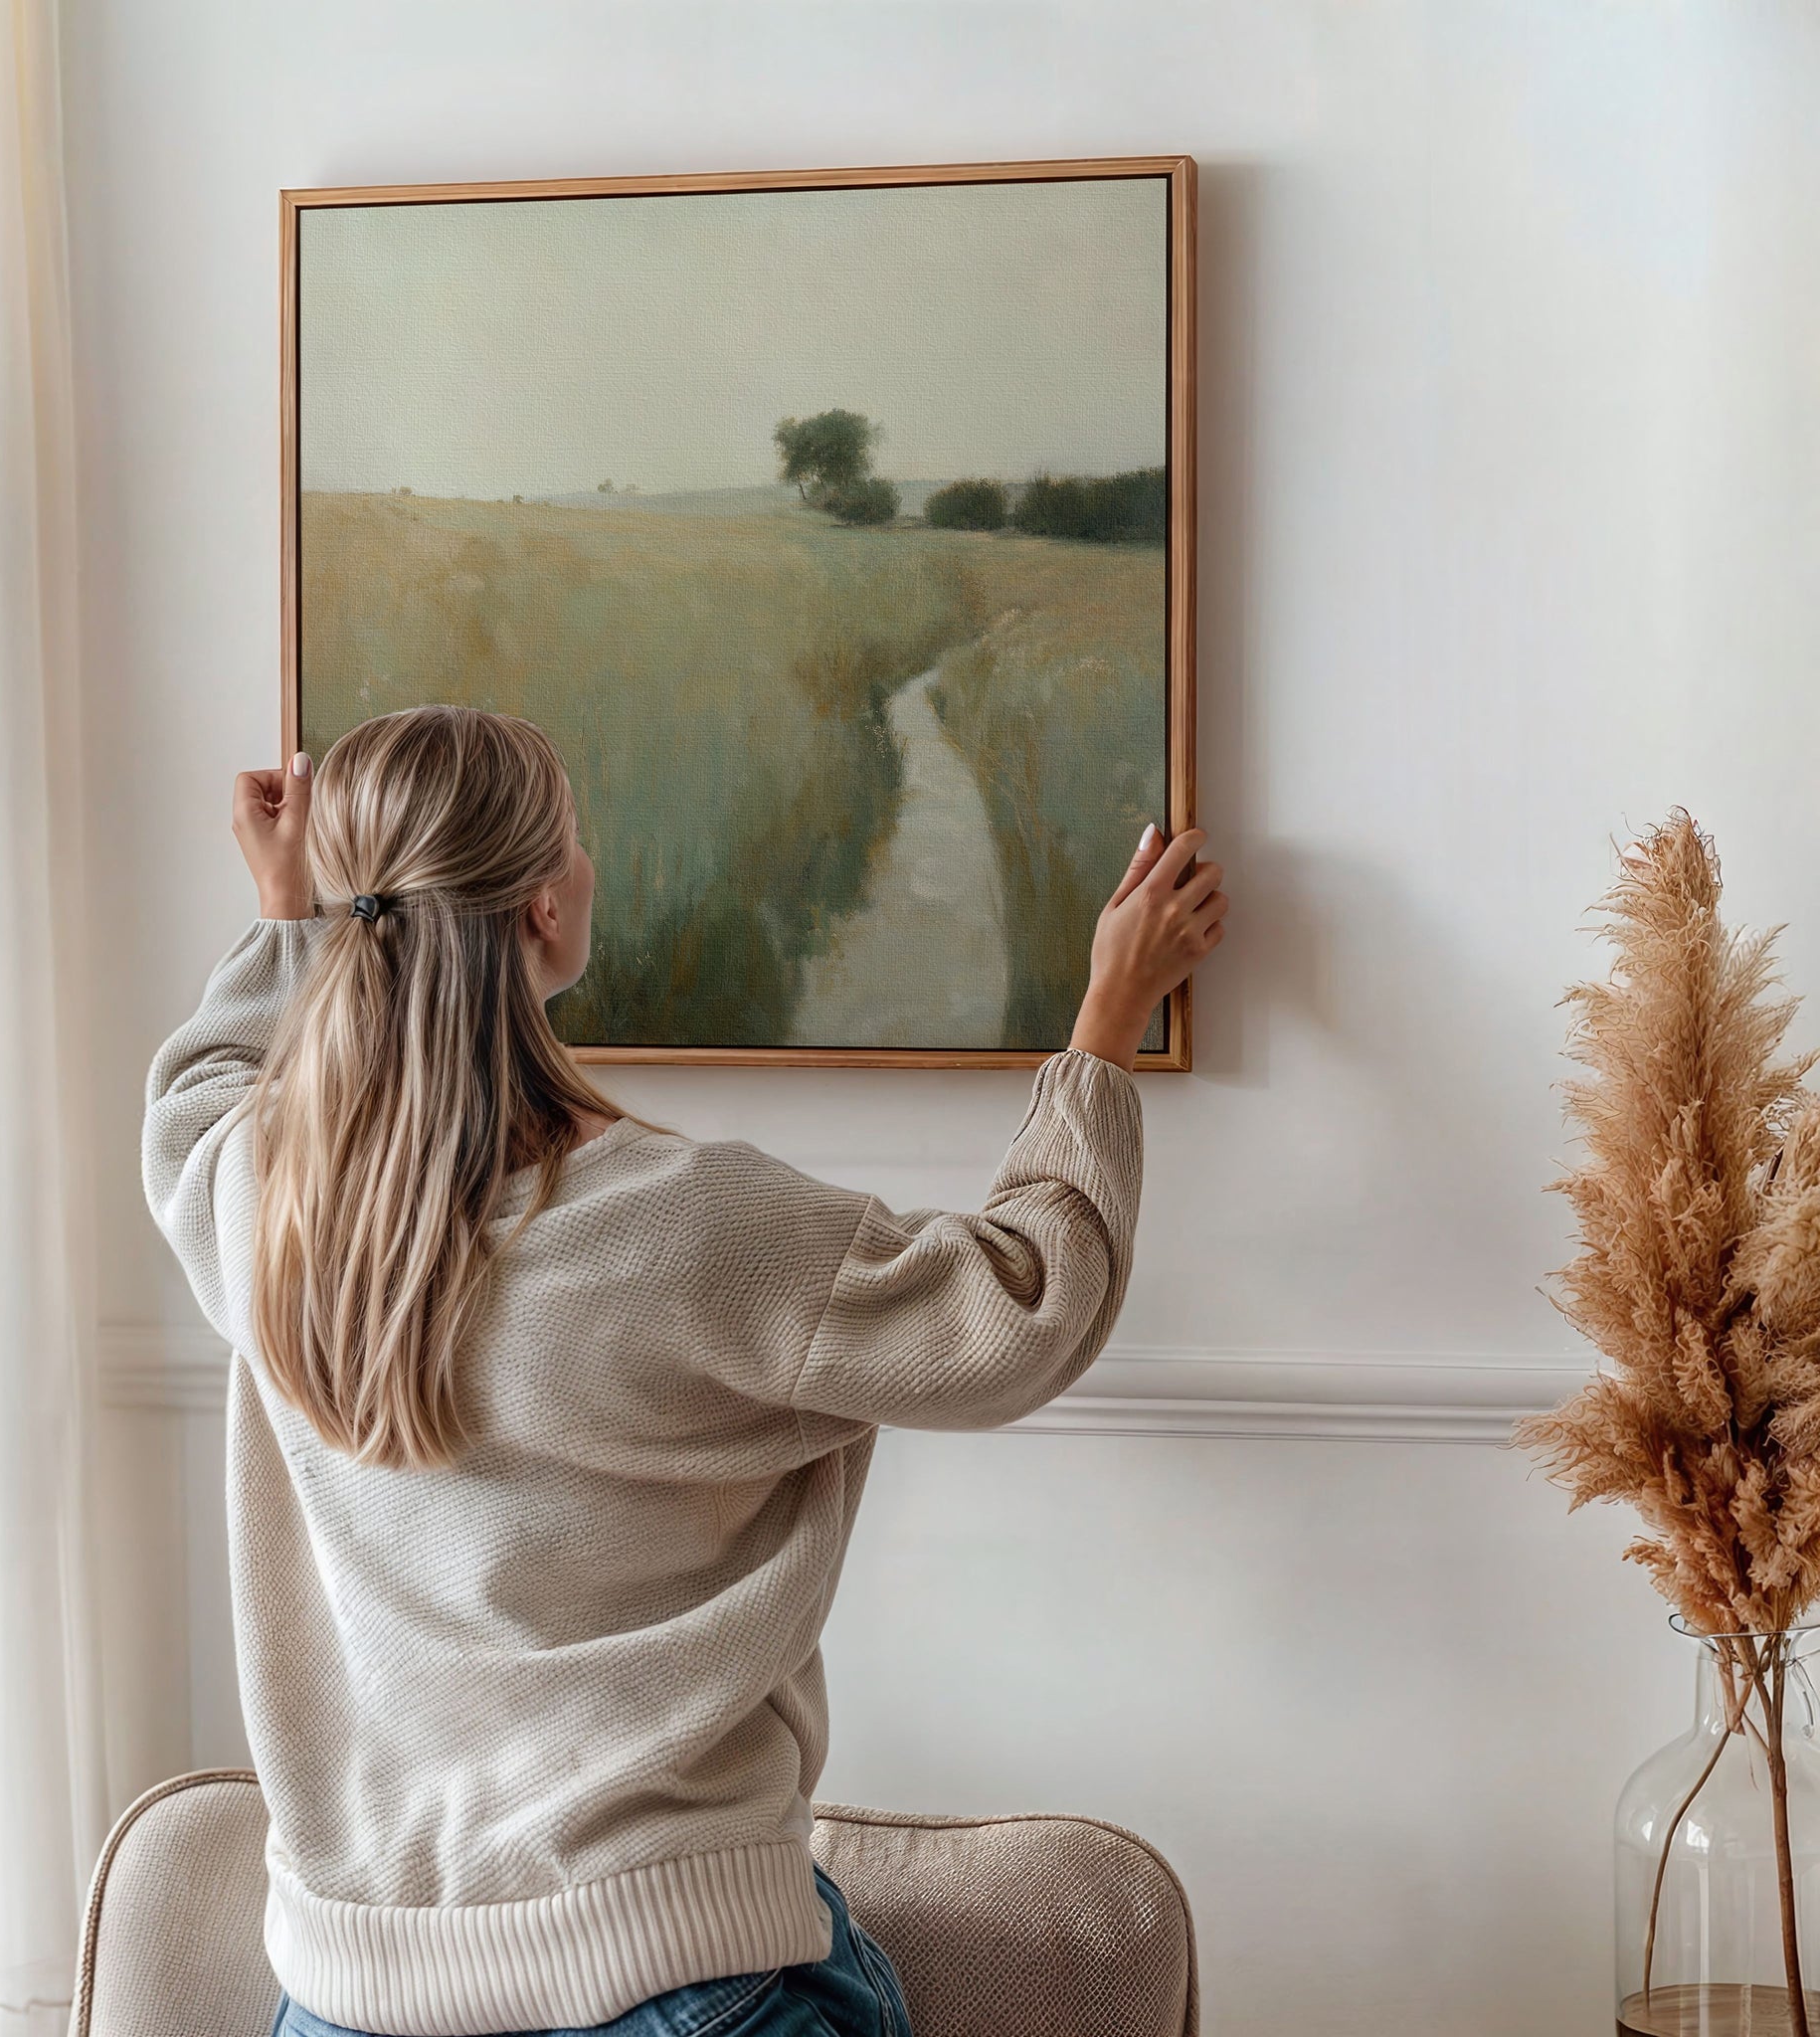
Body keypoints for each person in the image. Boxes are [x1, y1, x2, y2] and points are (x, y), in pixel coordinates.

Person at [143, 703, 1227, 2037]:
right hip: (669, 1986)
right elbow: (1019, 1307)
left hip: (343, 2002)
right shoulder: (684, 1225)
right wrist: (1106, 1020)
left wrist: (286, 918)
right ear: (545, 910)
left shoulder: (262, 1206)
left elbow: (192, 1097)